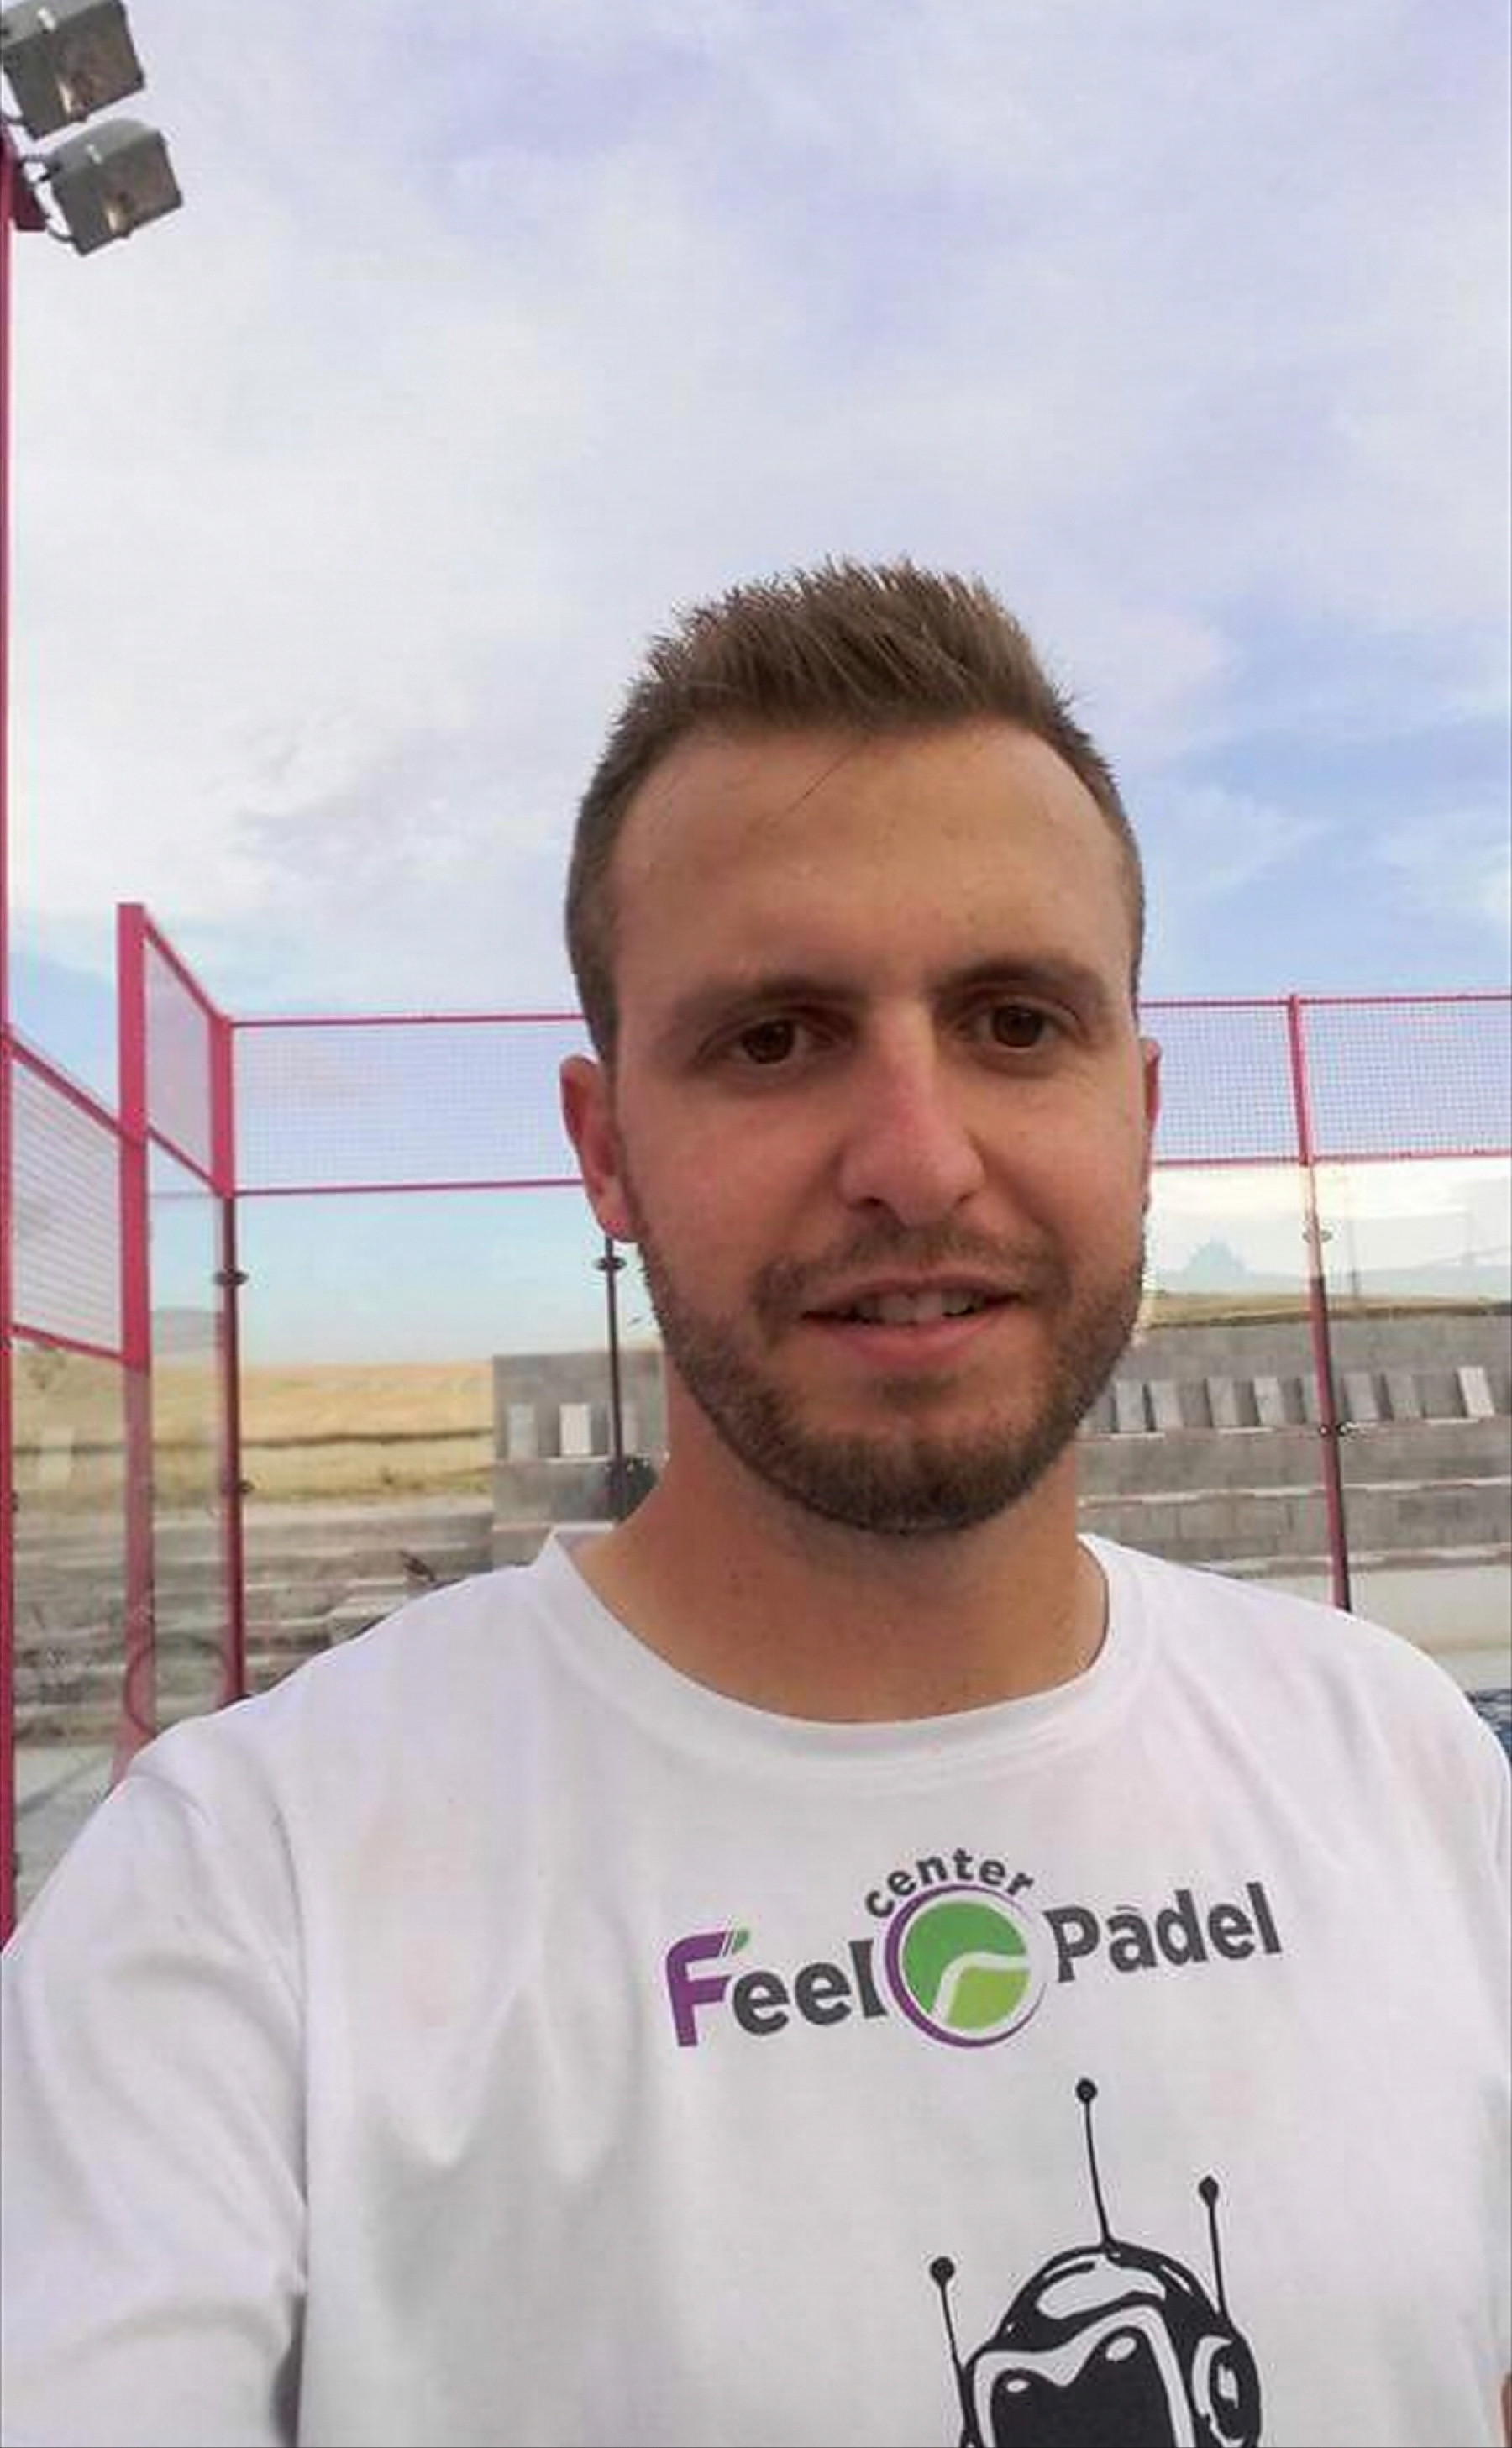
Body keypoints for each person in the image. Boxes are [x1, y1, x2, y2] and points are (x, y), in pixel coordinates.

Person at [2, 560, 1507, 2448]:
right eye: (775, 1039)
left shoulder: (1405, 1766)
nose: (916, 1160)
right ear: (604, 1149)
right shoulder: (241, 1899)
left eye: (1014, 1021)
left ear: (1141, 1109)